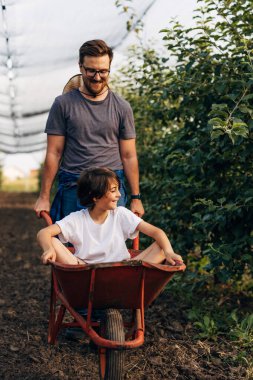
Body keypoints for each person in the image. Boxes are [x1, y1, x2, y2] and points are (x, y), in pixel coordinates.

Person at [34, 39, 144, 222]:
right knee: (71, 248)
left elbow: (129, 155)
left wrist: (136, 198)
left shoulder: (121, 107)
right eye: (91, 70)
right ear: (80, 66)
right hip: (74, 186)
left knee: (112, 247)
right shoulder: (63, 104)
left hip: (111, 188)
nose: (97, 77)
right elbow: (54, 152)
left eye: (103, 71)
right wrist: (44, 197)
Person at [37, 168, 183, 266]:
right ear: (95, 196)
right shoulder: (77, 219)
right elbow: (43, 232)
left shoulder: (121, 214)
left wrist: (169, 252)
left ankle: (121, 291)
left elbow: (157, 232)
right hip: (85, 272)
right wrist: (48, 249)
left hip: (122, 270)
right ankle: (111, 296)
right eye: (113, 191)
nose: (119, 195)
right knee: (54, 243)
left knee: (162, 246)